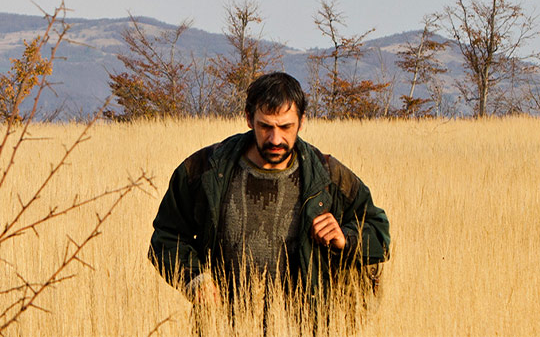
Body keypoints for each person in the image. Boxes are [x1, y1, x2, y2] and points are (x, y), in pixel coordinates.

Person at [148, 72, 390, 327]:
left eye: (286, 127)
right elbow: (166, 237)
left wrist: (346, 238)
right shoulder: (205, 170)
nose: (275, 139)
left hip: (301, 327)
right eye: (266, 126)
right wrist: (194, 279)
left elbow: (379, 234)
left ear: (302, 121)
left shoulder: (327, 175)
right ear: (249, 119)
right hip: (223, 327)